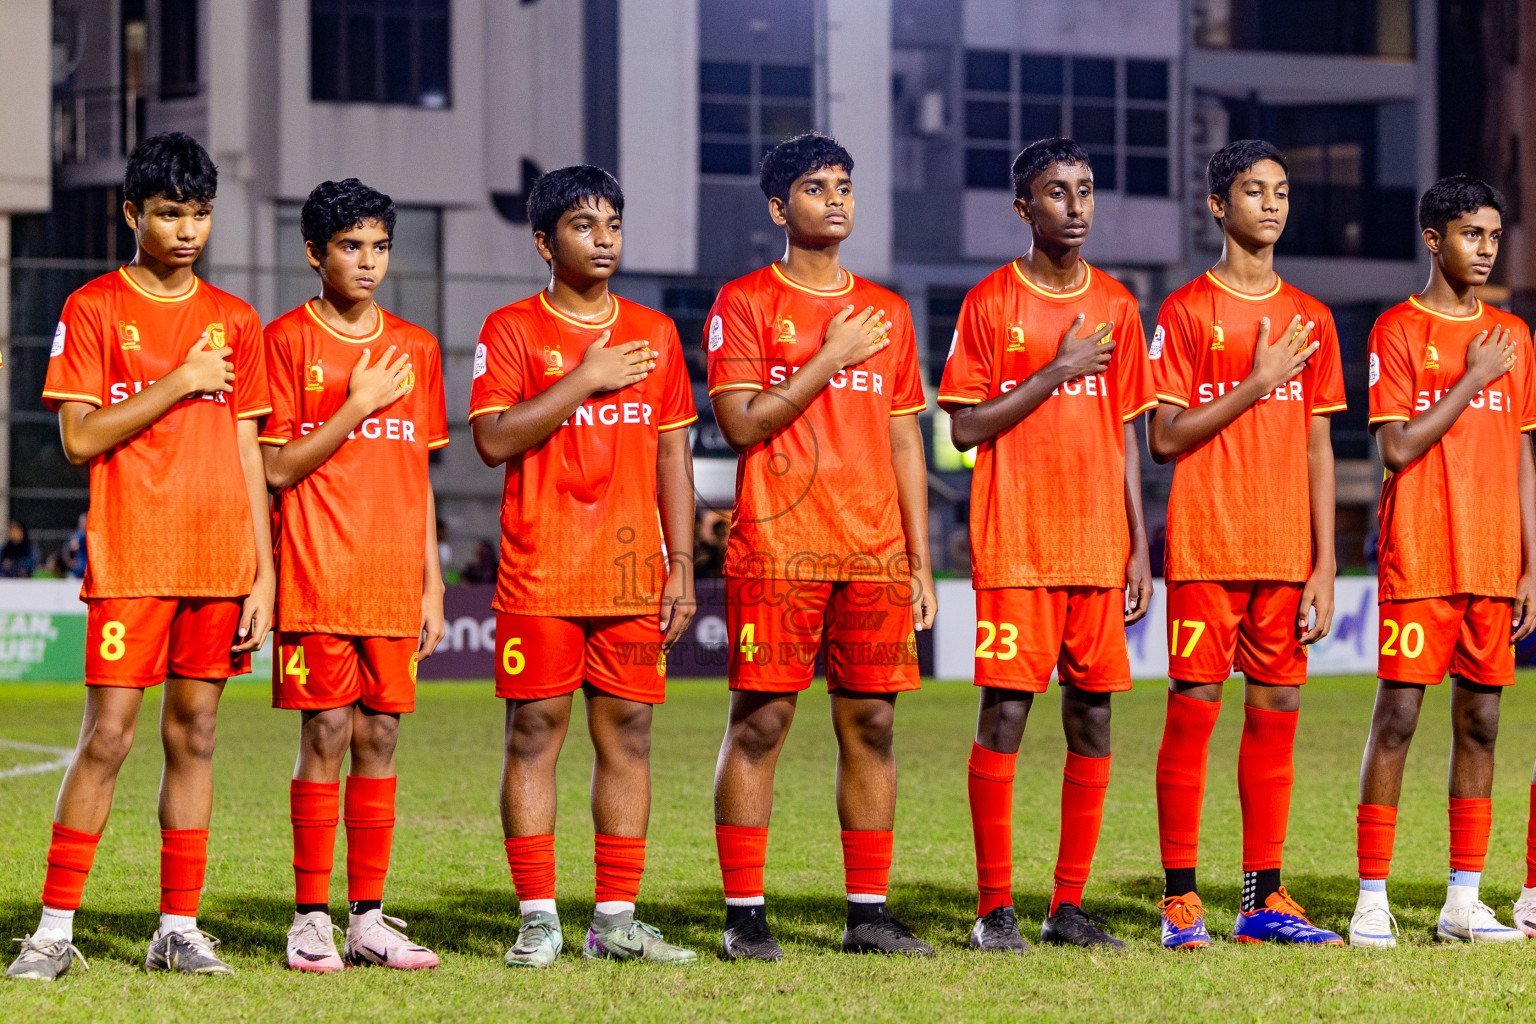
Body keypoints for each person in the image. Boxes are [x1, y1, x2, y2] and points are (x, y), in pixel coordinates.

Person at [9, 132, 273, 980]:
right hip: (131, 556)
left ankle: (177, 928)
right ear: (132, 214)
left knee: (195, 735)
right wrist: (179, 381)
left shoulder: (236, 321)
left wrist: (261, 574)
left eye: (199, 214)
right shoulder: (91, 308)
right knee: (109, 738)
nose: (187, 230)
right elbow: (80, 438)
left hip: (218, 559)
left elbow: (246, 453)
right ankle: (53, 931)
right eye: (169, 214)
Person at [707, 132, 935, 961]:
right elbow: (739, 424)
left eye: (844, 185)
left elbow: (907, 440)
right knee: (761, 723)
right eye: (815, 187)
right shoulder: (744, 302)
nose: (836, 199)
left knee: (872, 723)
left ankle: (868, 913)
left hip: (872, 554)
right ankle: (745, 914)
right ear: (779, 207)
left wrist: (915, 555)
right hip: (780, 547)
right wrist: (829, 354)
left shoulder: (889, 312)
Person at [470, 165, 699, 967]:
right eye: (582, 227)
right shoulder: (510, 330)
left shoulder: (656, 333)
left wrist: (681, 567)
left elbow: (674, 452)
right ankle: (538, 917)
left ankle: (615, 921)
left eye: (612, 225)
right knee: (534, 733)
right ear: (544, 242)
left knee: (629, 737)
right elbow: (493, 439)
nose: (603, 240)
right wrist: (586, 378)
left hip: (634, 575)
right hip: (542, 570)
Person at [939, 138, 1156, 953]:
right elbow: (963, 427)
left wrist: (1137, 545)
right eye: (1058, 192)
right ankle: (994, 910)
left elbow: (1126, 434)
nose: (1077, 205)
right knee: (1005, 715)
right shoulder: (991, 303)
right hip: (1018, 542)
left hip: (1099, 546)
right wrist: (1055, 371)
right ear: (1025, 208)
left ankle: (1067, 907)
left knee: (1093, 720)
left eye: (1087, 190)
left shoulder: (1120, 306)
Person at [1148, 139, 1346, 948]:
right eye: (1254, 191)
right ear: (1217, 207)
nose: (1271, 203)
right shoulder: (1187, 313)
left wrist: (1326, 563)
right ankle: (1181, 900)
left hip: (1284, 556)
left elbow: (1317, 447)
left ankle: (1263, 900)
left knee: (1278, 718)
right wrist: (1257, 383)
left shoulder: (1315, 318)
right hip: (1206, 547)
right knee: (1193, 713)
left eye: (1282, 190)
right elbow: (1163, 437)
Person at [260, 178, 449, 971]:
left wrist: (433, 583)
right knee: (327, 732)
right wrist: (354, 404)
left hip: (393, 578)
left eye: (378, 246)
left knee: (381, 734)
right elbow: (274, 468)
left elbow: (421, 476)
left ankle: (367, 918)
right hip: (314, 570)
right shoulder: (284, 341)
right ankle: (309, 918)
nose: (368, 262)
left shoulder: (418, 347)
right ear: (315, 254)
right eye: (350, 247)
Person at [1353, 175, 1534, 947]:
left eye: (1493, 235)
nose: (1485, 248)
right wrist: (1471, 380)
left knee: (1485, 723)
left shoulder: (1516, 336)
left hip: (1494, 560)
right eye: (1471, 234)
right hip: (1422, 552)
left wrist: (1531, 563)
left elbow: (1523, 456)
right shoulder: (1397, 330)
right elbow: (1395, 446)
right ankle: (1371, 896)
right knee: (1397, 718)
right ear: (1435, 239)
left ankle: (1464, 899)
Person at [61, 514, 88, 579]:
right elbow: (66, 554)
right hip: (77, 573)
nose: (84, 524)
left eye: (86, 522)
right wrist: (72, 564)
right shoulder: (77, 536)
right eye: (83, 522)